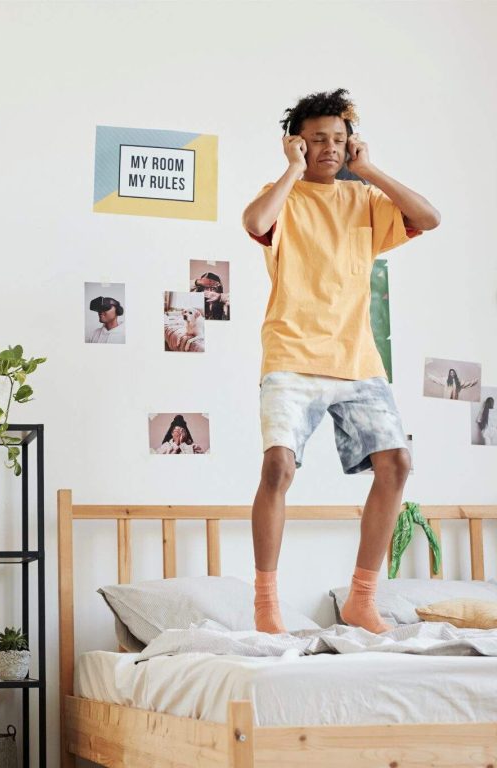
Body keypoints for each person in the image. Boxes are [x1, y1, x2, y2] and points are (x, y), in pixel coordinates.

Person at [241, 88, 440, 634]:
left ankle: (361, 599)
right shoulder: (281, 196)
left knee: (397, 465)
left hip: (357, 358)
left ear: (350, 143)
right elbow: (254, 220)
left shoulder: (366, 202)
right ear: (298, 145)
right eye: (316, 140)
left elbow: (430, 216)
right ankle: (266, 607)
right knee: (278, 468)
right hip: (291, 351)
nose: (329, 147)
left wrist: (369, 170)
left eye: (338, 139)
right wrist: (290, 171)